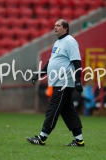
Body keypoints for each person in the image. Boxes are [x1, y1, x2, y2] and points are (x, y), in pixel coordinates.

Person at [26, 19, 84, 147]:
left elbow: (77, 61)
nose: (55, 27)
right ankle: (79, 140)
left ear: (66, 28)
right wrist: (39, 75)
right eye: (54, 25)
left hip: (64, 82)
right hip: (58, 81)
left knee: (53, 108)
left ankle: (42, 138)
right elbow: (51, 62)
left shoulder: (70, 41)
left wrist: (78, 81)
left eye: (58, 25)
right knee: (68, 111)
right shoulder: (58, 42)